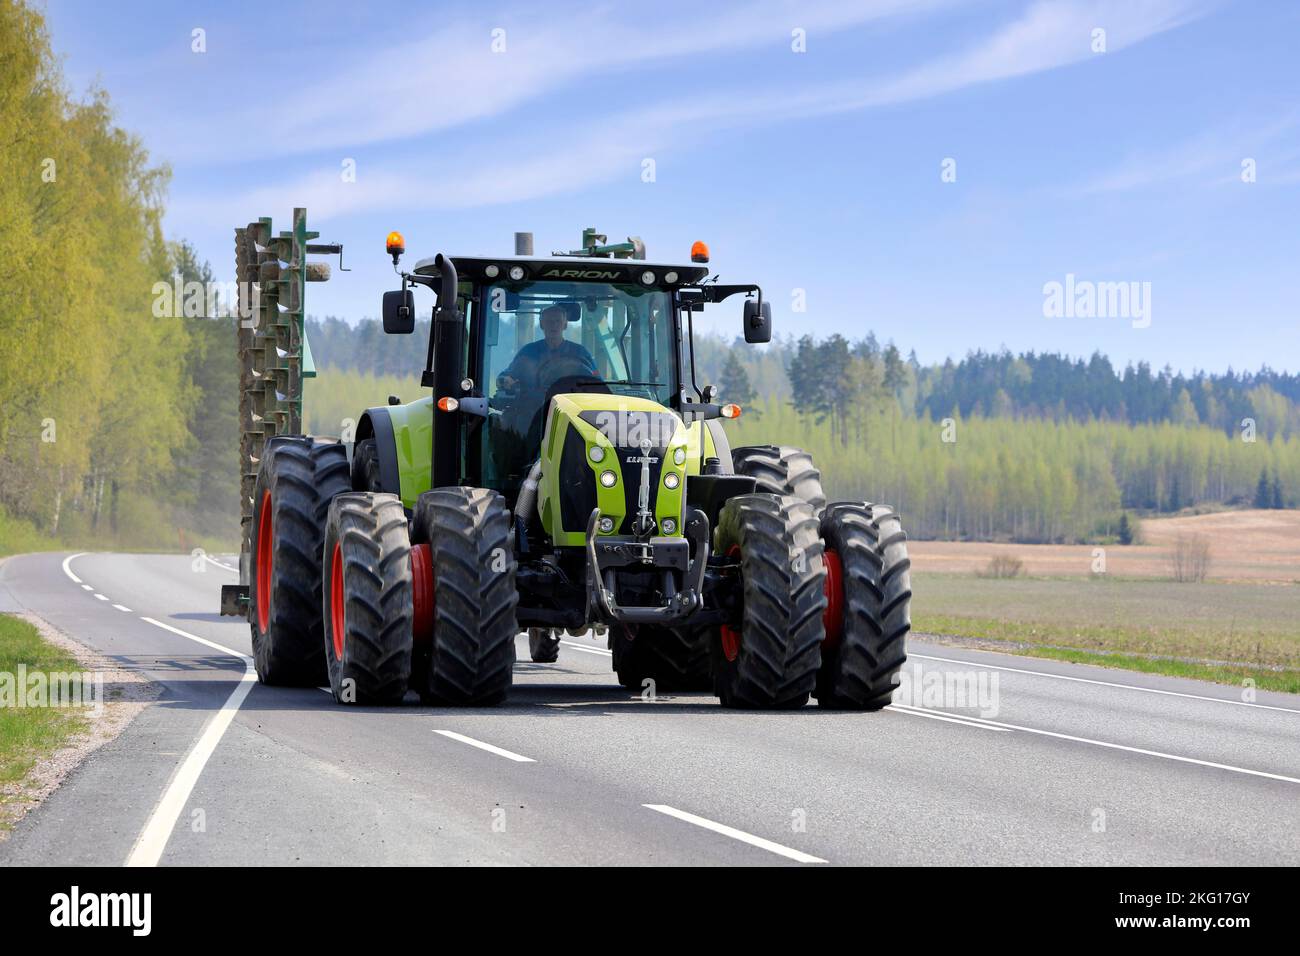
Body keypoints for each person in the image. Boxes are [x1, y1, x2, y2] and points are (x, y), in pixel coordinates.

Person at [497, 303, 597, 395]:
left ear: (565, 325)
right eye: (549, 321)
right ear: (541, 324)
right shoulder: (528, 352)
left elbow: (597, 383)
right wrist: (505, 380)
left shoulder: (580, 353)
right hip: (533, 412)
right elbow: (505, 377)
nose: (554, 325)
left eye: (558, 321)